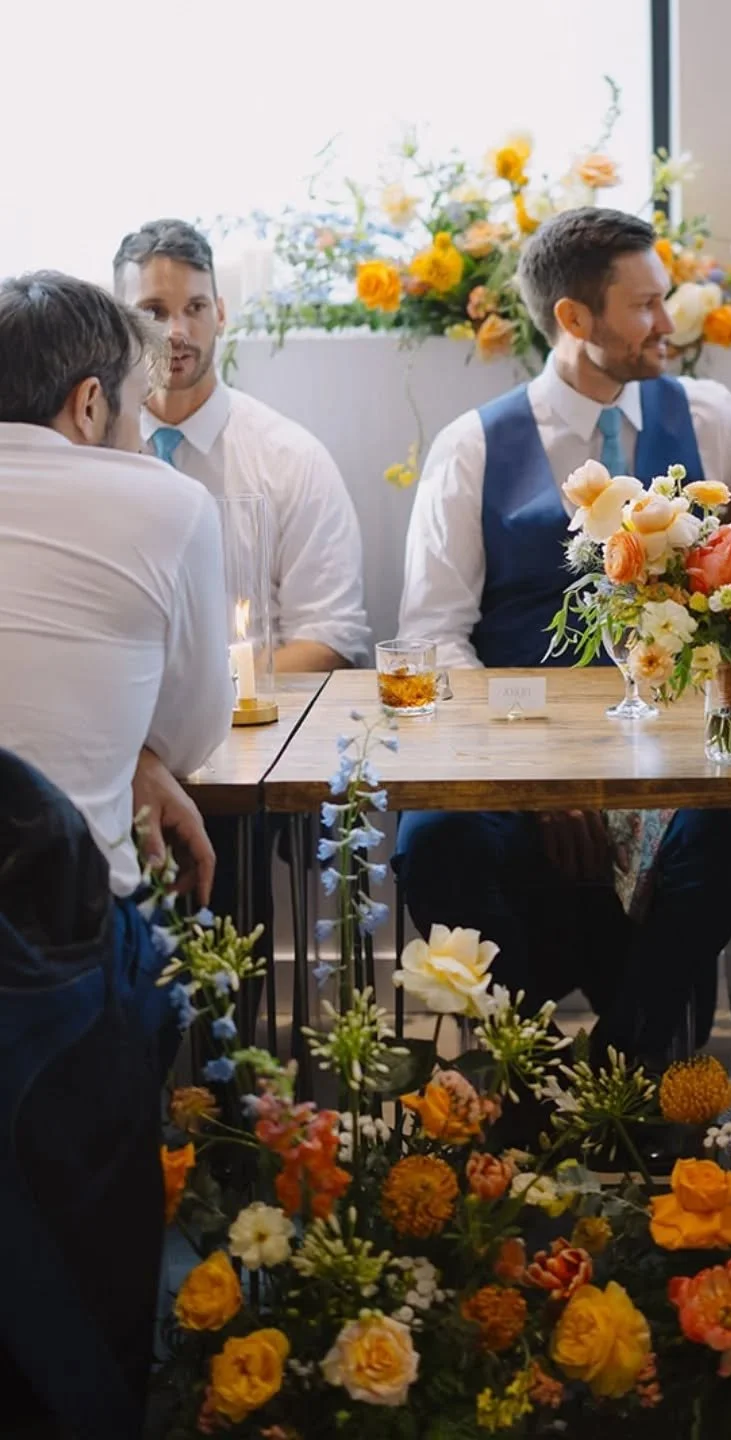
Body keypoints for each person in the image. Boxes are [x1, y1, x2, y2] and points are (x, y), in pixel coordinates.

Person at [394, 207, 731, 1066]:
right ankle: (522, 1067)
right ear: (573, 319)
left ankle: (620, 1071)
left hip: (673, 768)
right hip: (517, 768)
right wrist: (534, 777)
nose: (668, 325)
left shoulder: (712, 419)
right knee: (433, 841)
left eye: (664, 300)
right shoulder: (472, 448)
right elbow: (436, 636)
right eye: (643, 306)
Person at [0, 272, 233, 1437]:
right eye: (139, 405)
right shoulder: (158, 503)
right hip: (60, 958)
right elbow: (193, 730)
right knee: (87, 1288)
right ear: (90, 405)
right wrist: (142, 756)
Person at [114, 218, 370, 672]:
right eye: (153, 311)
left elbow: (329, 638)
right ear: (121, 322)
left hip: (259, 725)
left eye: (195, 307)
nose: (176, 330)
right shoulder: (95, 458)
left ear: (221, 314)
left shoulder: (292, 460)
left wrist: (213, 700)